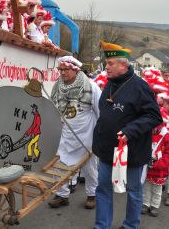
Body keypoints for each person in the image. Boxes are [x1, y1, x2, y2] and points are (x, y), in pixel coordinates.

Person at [93, 42, 162, 229]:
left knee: (133, 191)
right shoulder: (110, 83)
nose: (106, 66)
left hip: (132, 151)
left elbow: (154, 116)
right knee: (103, 189)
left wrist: (130, 130)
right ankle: (102, 226)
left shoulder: (140, 87)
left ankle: (131, 225)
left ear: (124, 65)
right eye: (106, 62)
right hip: (107, 150)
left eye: (111, 63)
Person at [49, 56, 101, 209]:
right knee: (59, 163)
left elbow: (100, 111)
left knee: (89, 167)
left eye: (66, 70)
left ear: (75, 70)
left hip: (86, 134)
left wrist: (99, 134)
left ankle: (92, 195)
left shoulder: (91, 86)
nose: (63, 73)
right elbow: (53, 107)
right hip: (65, 133)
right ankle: (62, 194)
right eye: (61, 70)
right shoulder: (57, 86)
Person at [142, 108, 169, 217]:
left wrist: (159, 164)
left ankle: (155, 206)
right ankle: (145, 204)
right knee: (146, 187)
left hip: (159, 169)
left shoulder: (166, 136)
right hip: (147, 167)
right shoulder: (148, 134)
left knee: (157, 189)